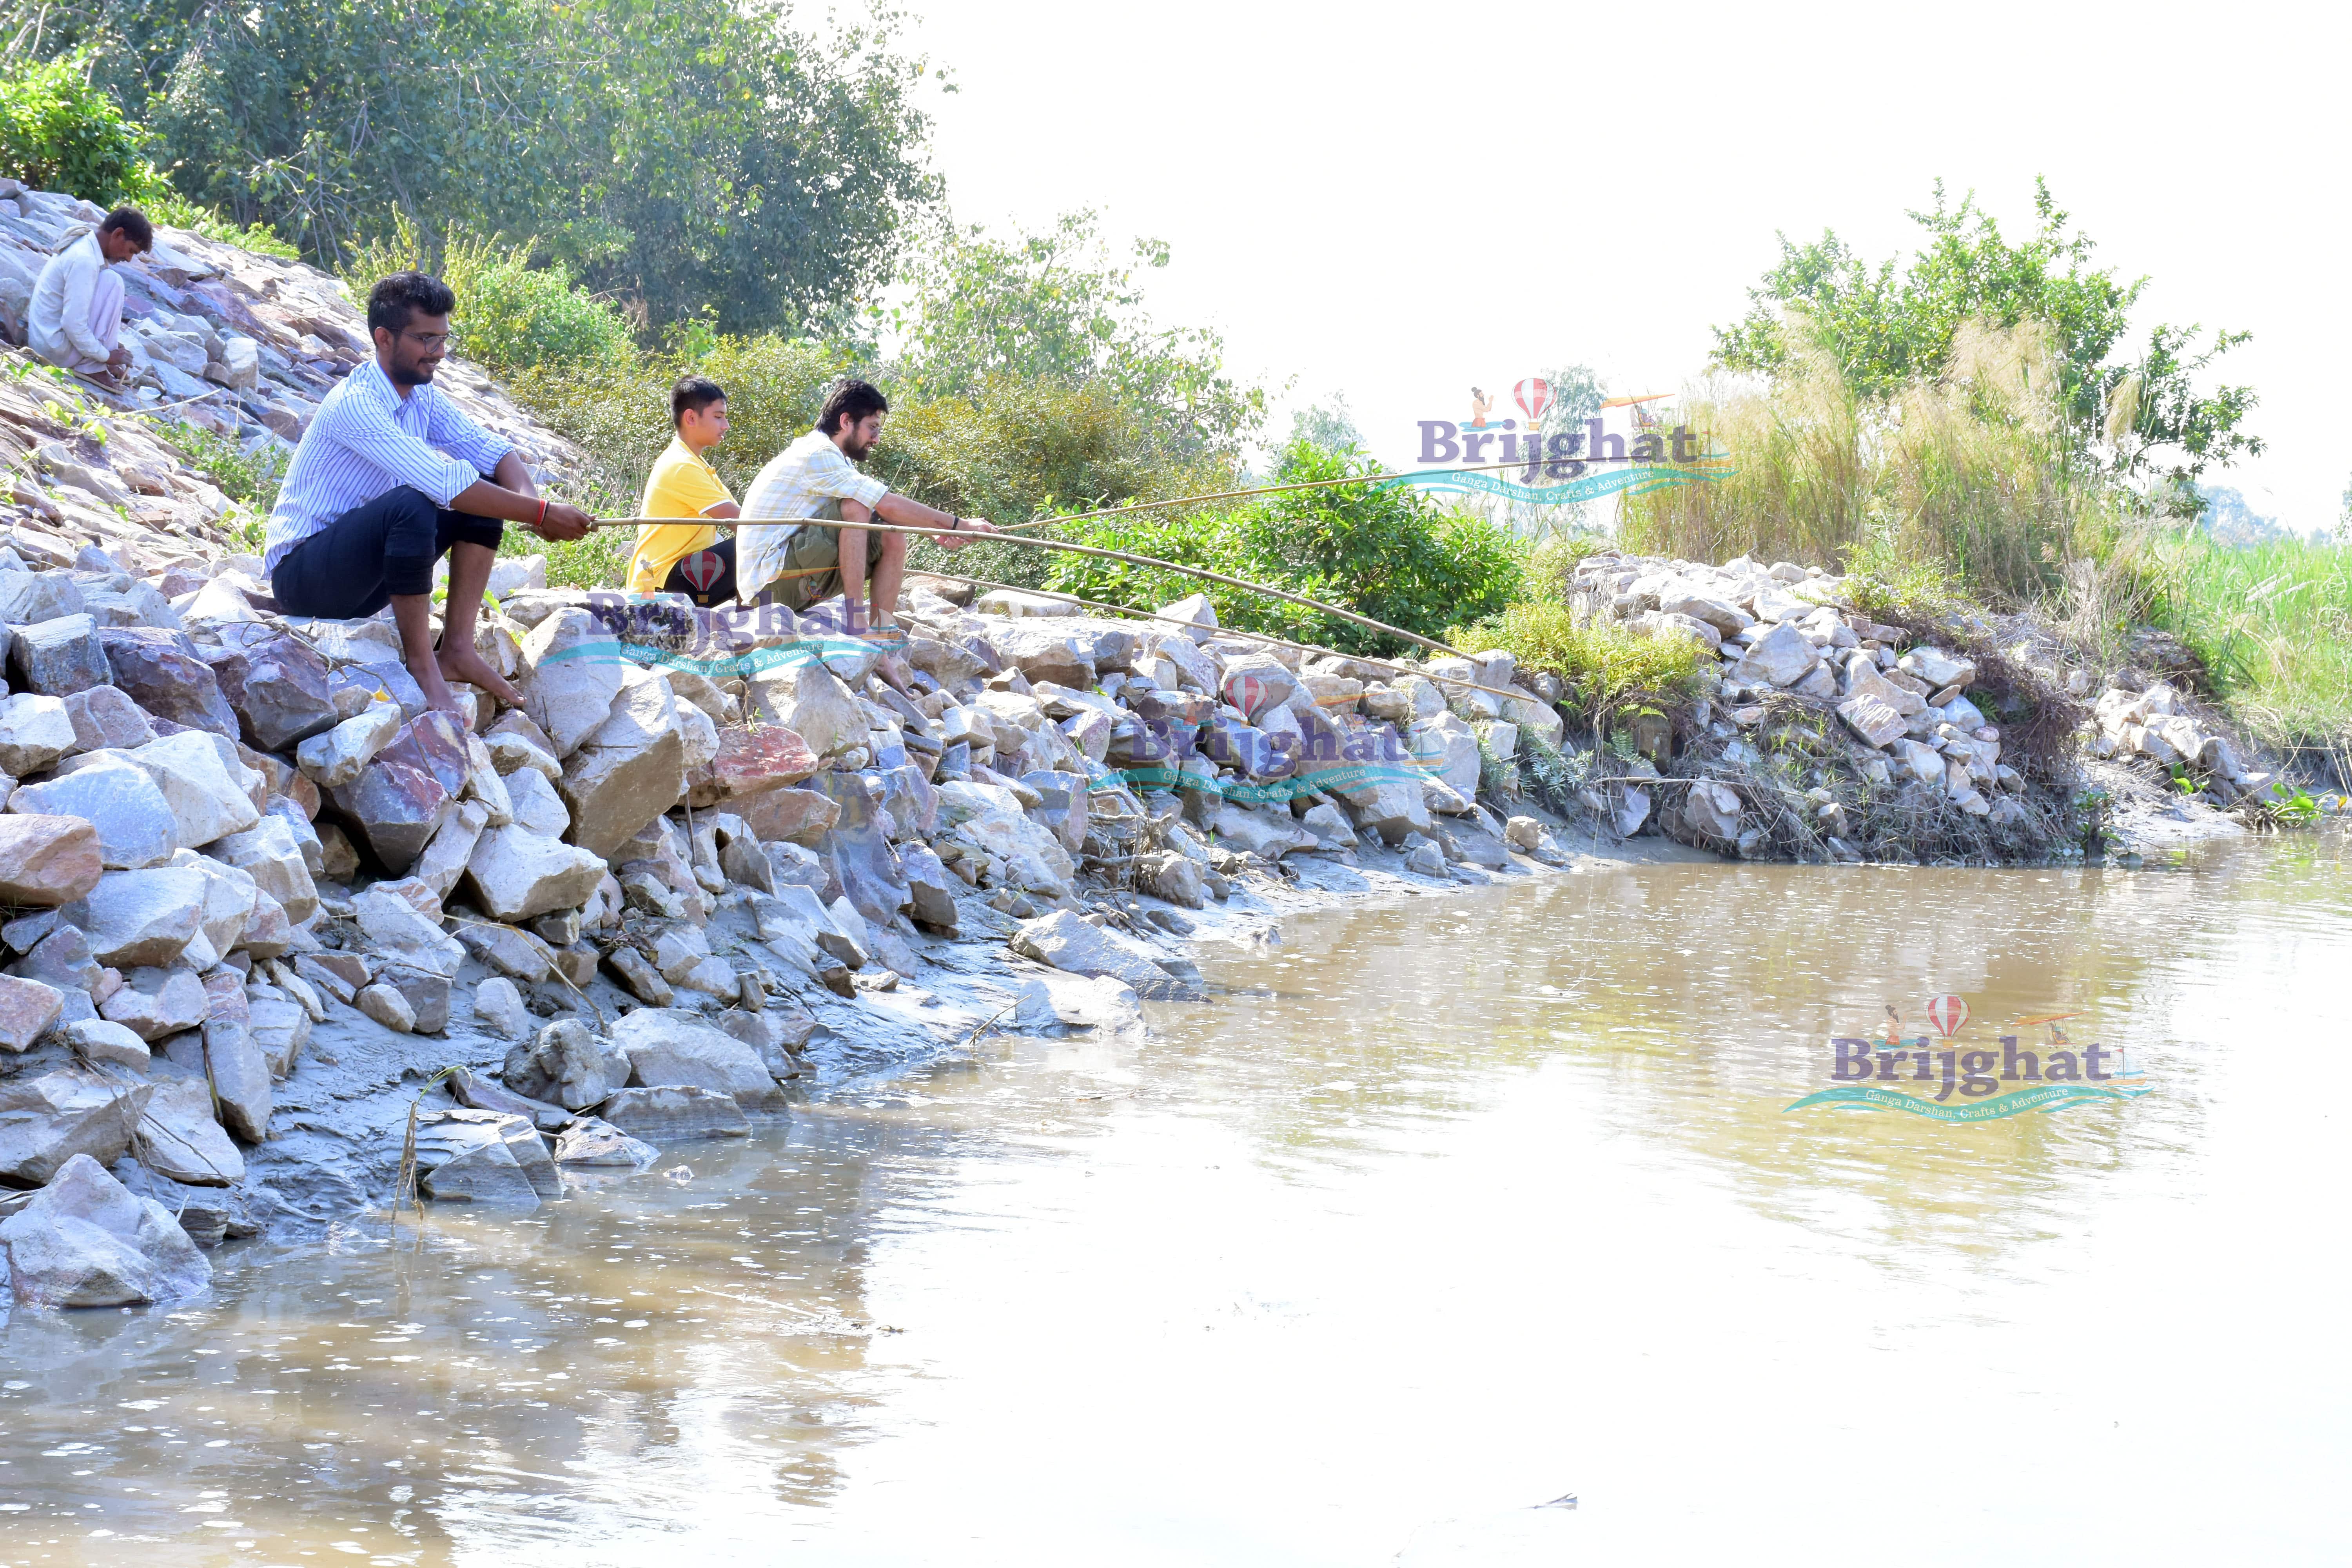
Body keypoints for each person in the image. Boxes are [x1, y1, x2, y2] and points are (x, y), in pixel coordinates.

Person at [265, 270, 594, 720]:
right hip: (303, 580)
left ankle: (456, 649)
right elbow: (445, 484)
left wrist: (532, 508)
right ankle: (422, 666)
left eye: (442, 339)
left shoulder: (422, 397)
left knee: (483, 485)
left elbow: (493, 451)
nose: (437, 353)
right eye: (425, 340)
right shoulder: (357, 402)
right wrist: (541, 513)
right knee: (415, 502)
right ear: (384, 337)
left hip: (365, 584)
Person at [737, 377, 996, 636]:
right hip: (768, 588)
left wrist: (934, 532)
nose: (876, 439)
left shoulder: (835, 458)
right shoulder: (818, 453)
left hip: (790, 584)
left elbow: (882, 512)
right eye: (873, 428)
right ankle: (858, 626)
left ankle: (883, 632)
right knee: (856, 508)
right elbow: (884, 503)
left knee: (891, 532)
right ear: (846, 422)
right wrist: (959, 525)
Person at [628, 375, 741, 606]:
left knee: (761, 542)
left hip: (679, 575)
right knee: (754, 545)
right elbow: (741, 522)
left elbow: (741, 515)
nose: (726, 426)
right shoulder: (681, 465)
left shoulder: (697, 463)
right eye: (718, 417)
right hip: (660, 582)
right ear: (691, 417)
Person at [29, 206, 151, 385]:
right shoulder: (84, 260)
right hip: (53, 350)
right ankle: (93, 368)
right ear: (118, 234)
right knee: (113, 283)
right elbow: (73, 324)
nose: (129, 259)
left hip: (46, 342)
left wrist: (110, 350)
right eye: (131, 251)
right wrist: (107, 356)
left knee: (109, 280)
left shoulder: (86, 245)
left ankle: (96, 363)